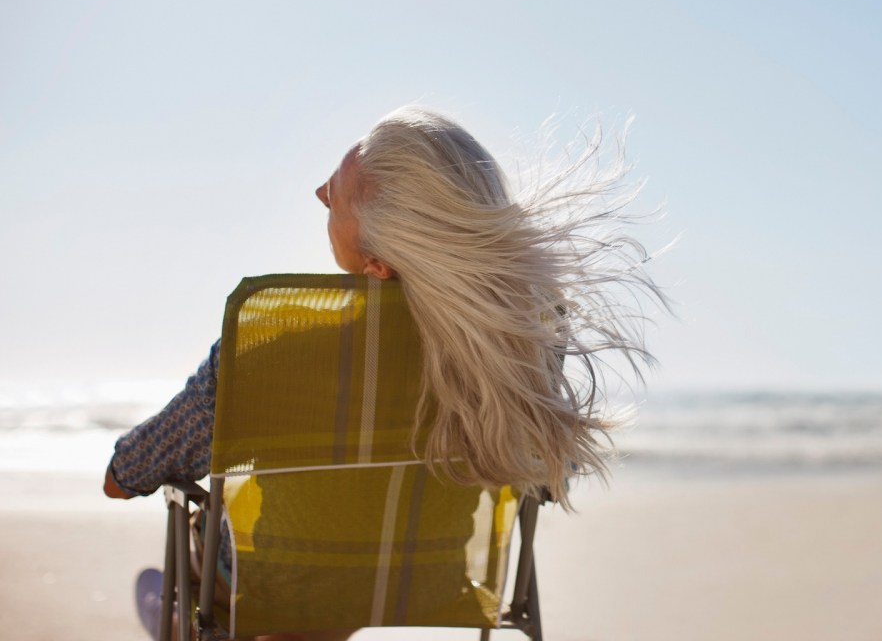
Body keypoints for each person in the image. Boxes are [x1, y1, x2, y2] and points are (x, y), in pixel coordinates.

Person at [103, 106, 667, 639]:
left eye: (338, 195)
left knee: (247, 565)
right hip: (426, 582)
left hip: (269, 586)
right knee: (342, 569)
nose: (320, 192)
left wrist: (125, 472)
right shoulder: (514, 355)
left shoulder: (274, 348)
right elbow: (549, 479)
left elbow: (128, 472)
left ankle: (179, 625)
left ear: (377, 262)